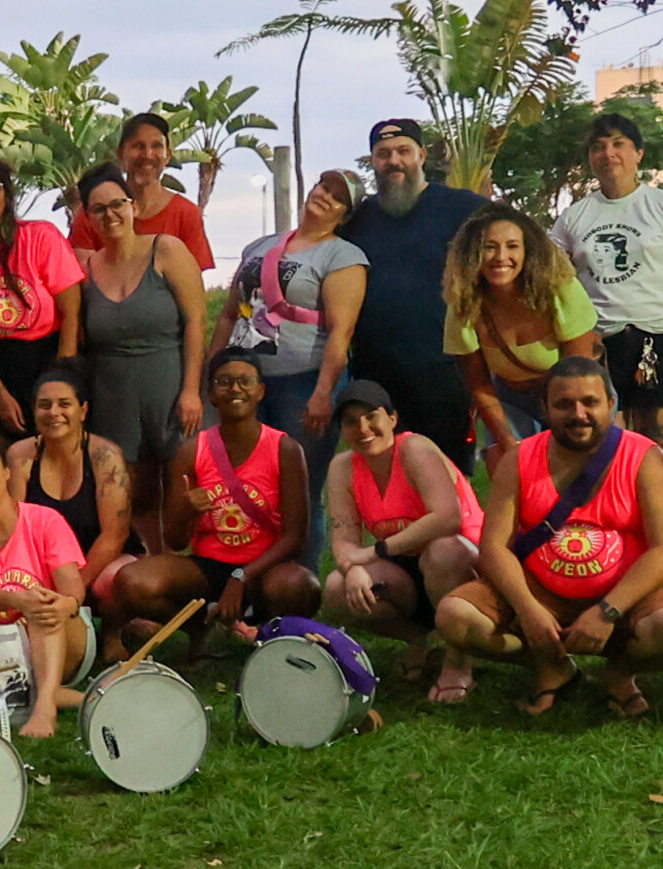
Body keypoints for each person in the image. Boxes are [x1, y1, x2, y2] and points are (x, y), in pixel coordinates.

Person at [434, 357, 663, 716]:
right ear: (544, 408)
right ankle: (551, 666)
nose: (579, 414)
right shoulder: (519, 458)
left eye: (590, 402)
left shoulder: (646, 459)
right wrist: (527, 609)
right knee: (454, 616)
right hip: (540, 593)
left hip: (627, 595)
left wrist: (608, 612)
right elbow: (494, 546)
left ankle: (619, 673)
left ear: (611, 405)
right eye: (564, 404)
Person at [549, 111, 663, 460]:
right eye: (598, 147)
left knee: (658, 449)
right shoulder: (573, 218)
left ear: (638, 154)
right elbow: (551, 279)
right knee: (601, 447)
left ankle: (660, 513)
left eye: (619, 144)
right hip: (598, 343)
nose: (608, 154)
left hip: (662, 338)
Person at [117, 349, 321, 654]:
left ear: (260, 392)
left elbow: (296, 537)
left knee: (301, 586)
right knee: (132, 581)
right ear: (211, 394)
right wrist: (186, 510)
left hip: (264, 568)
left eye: (245, 382)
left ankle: (265, 634)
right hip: (208, 565)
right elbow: (174, 539)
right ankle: (199, 626)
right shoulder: (191, 451)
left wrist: (242, 576)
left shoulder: (285, 449)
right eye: (224, 382)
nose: (235, 389)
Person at [211, 169, 367, 559]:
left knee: (300, 488)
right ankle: (247, 578)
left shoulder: (342, 256)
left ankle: (301, 586)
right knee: (246, 485)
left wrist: (322, 393)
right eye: (323, 187)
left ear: (344, 215)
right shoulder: (260, 246)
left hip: (302, 382)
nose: (325, 197)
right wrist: (212, 371)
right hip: (246, 384)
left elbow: (340, 333)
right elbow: (230, 314)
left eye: (337, 198)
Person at [341, 119, 491, 471]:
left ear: (421, 156)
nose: (394, 161)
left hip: (445, 367)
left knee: (448, 474)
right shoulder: (356, 220)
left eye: (403, 152)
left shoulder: (463, 208)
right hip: (375, 372)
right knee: (386, 474)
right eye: (383, 154)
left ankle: (454, 529)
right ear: (373, 160)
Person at [321, 382, 484, 704]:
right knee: (337, 588)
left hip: (465, 564)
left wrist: (374, 552)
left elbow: (447, 517)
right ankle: (423, 642)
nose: (363, 428)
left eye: (371, 417)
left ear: (393, 419)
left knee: (442, 551)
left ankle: (458, 660)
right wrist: (353, 568)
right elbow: (343, 539)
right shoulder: (342, 467)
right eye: (351, 422)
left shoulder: (415, 449)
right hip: (410, 566)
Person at [75, 162, 206, 549]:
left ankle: (196, 576)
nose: (110, 214)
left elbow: (196, 320)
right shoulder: (86, 270)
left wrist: (191, 390)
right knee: (139, 496)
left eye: (117, 204)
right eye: (98, 208)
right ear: (88, 216)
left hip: (169, 387)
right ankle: (154, 573)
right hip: (114, 396)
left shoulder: (166, 249)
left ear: (132, 205)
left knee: (185, 489)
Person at [0, 433, 89, 737]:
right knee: (35, 604)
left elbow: (71, 582)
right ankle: (85, 699)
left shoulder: (46, 520)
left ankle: (44, 709)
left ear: (7, 471)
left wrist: (68, 603)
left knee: (43, 606)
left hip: (61, 635)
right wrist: (21, 601)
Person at [441, 202, 599, 468]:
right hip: (509, 397)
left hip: (574, 393)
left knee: (575, 470)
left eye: (512, 246)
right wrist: (507, 441)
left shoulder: (560, 289)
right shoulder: (464, 304)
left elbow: (579, 374)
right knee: (505, 465)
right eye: (489, 247)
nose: (500, 256)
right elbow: (479, 385)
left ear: (529, 251)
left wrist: (563, 437)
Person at [0, 147, 83, 438]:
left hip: (50, 361)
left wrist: (60, 383)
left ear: (6, 191)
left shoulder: (41, 237)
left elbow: (71, 314)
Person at [6, 365, 130, 661]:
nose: (53, 413)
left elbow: (114, 535)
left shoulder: (105, 456)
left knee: (109, 581)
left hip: (98, 558)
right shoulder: (20, 455)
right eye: (44, 405)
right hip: (45, 562)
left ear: (83, 410)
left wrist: (73, 589)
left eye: (64, 404)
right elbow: (14, 527)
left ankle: (113, 633)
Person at [74, 112, 212, 270]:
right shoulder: (94, 212)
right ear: (120, 153)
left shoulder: (186, 214)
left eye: (156, 146)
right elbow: (82, 276)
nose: (147, 154)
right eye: (138, 146)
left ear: (168, 156)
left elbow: (193, 281)